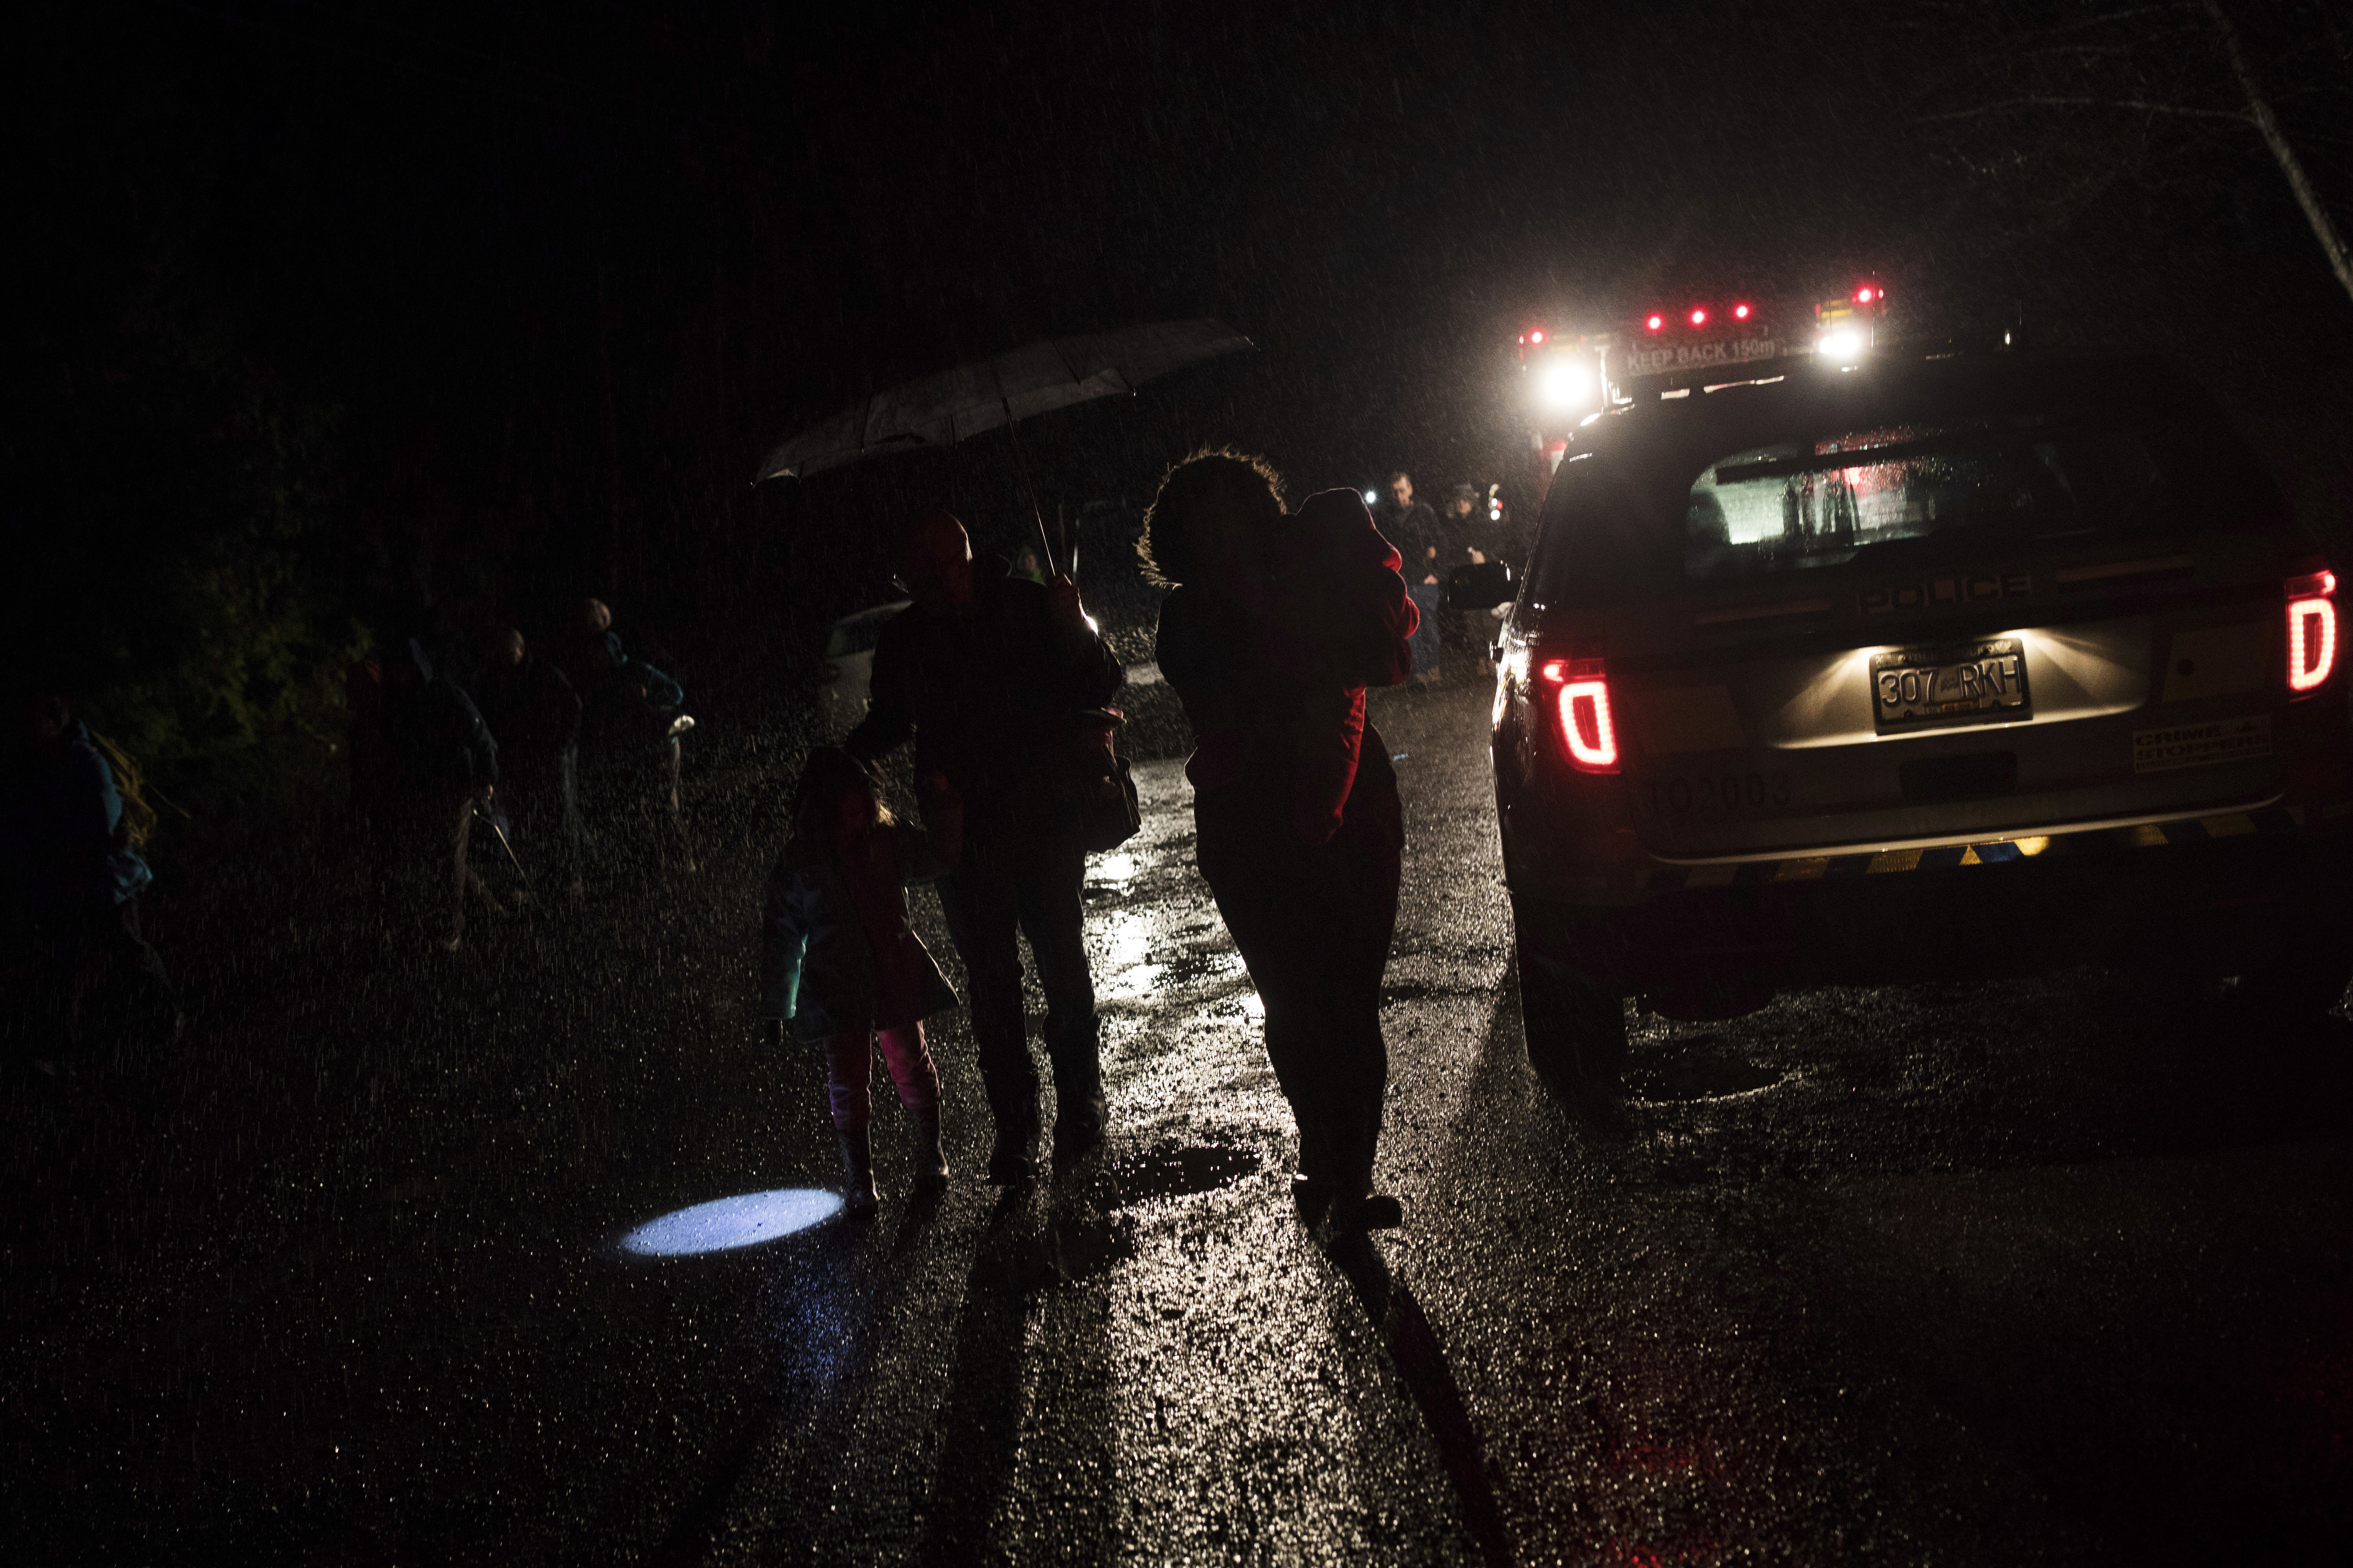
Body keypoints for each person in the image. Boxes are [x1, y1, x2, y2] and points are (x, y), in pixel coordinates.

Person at [1146, 452, 1418, 1231]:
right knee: (1293, 1001)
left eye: (1237, 512)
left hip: (1352, 806)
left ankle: (1351, 1177)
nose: (1226, 532)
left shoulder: (1314, 562)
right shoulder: (1186, 617)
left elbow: (1378, 652)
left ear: (1264, 512)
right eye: (1205, 522)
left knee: (1351, 1000)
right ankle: (1322, 1148)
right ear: (1180, 540)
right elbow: (1230, 688)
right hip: (1250, 825)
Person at [846, 509, 1124, 1180]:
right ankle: (1016, 1126)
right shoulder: (906, 638)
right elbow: (888, 721)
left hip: (1045, 818)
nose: (929, 585)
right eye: (915, 575)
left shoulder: (1029, 606)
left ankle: (1081, 1099)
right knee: (992, 984)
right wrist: (842, 760)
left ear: (964, 557)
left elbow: (1101, 680)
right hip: (962, 833)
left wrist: (1075, 623)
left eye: (937, 569)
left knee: (1062, 961)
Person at [760, 748, 963, 1214]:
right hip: (837, 988)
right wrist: (777, 1005)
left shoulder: (886, 838)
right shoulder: (802, 862)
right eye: (847, 814)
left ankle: (930, 1152)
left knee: (911, 1061)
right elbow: (782, 937)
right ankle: (860, 1179)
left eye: (863, 810)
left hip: (890, 973)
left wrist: (949, 804)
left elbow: (937, 855)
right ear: (823, 812)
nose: (857, 821)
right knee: (848, 1082)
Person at [1, 690, 181, 1063]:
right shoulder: (41, 765)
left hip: (105, 884)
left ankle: (165, 1020)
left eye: (33, 723)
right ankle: (58, 1049)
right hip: (74, 883)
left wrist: (67, 859)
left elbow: (103, 828)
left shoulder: (85, 762)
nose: (24, 732)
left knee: (123, 953)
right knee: (68, 965)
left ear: (54, 722)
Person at [380, 640, 501, 949]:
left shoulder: (444, 695)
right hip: (424, 788)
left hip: (457, 787)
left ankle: (451, 930)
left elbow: (480, 735)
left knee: (449, 858)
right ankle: (492, 909)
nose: (398, 672)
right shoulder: (397, 701)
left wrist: (487, 777)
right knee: (443, 855)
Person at [475, 628, 585, 896]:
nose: (503, 657)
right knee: (527, 818)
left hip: (551, 757)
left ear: (520, 649)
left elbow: (573, 707)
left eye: (508, 651)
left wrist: (561, 745)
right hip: (521, 760)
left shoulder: (544, 674)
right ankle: (539, 878)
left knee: (560, 816)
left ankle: (571, 878)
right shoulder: (498, 678)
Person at [1373, 471, 1445, 686]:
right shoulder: (1386, 517)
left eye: (1402, 491)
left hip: (1424, 581)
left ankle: (1434, 670)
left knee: (1430, 628)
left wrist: (1437, 574)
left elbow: (1442, 543)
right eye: (1395, 492)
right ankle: (1420, 674)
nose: (1399, 496)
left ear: (1411, 490)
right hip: (1401, 583)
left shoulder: (1424, 512)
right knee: (1410, 631)